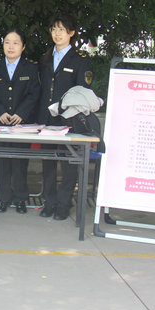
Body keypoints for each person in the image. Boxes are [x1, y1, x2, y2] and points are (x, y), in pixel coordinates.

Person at [37, 13, 93, 221]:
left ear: (71, 33)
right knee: (47, 161)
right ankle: (49, 202)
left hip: (69, 119)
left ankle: (63, 203)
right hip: (47, 118)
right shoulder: (45, 58)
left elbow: (82, 91)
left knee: (69, 163)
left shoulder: (80, 60)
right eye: (54, 29)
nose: (57, 33)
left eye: (61, 29)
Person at [0, 29, 40, 214]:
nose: (11, 46)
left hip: (22, 124)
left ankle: (21, 199)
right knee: (3, 161)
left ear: (23, 47)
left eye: (15, 43)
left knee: (20, 162)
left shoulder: (31, 68)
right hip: (0, 123)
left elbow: (34, 93)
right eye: (7, 42)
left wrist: (21, 114)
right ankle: (3, 199)